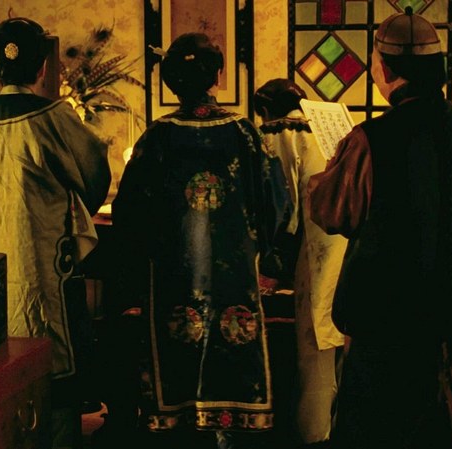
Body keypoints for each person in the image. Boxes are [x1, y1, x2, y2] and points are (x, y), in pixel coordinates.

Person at [307, 7, 452, 449]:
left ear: (386, 69)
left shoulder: (370, 138)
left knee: (377, 431)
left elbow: (332, 211)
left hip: (386, 321)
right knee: (449, 429)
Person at [111, 32, 290, 449]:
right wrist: (263, 251)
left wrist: (143, 260)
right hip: (234, 272)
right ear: (218, 75)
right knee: (234, 337)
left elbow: (128, 212)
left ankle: (178, 427)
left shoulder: (157, 137)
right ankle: (232, 425)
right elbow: (276, 201)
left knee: (177, 340)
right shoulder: (244, 133)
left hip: (172, 272)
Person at [0, 17, 110, 449]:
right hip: (42, 253)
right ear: (42, 67)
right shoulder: (52, 115)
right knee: (52, 350)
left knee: (6, 348)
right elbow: (92, 172)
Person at [254, 79, 348, 449]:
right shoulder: (332, 129)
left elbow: (283, 207)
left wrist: (272, 264)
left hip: (311, 246)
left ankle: (313, 434)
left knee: (313, 349)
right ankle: (335, 429)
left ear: (265, 110)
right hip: (344, 244)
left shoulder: (280, 133)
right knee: (335, 342)